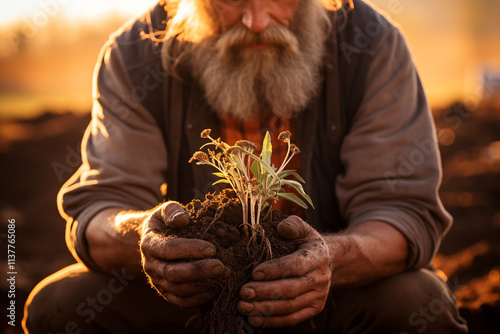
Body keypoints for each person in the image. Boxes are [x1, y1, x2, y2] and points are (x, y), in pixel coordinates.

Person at [23, 0, 468, 333]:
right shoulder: (137, 54)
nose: (256, 21)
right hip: (194, 299)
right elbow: (102, 207)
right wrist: (146, 237)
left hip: (332, 297)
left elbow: (403, 213)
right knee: (59, 307)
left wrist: (327, 262)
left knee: (419, 302)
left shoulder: (372, 45)